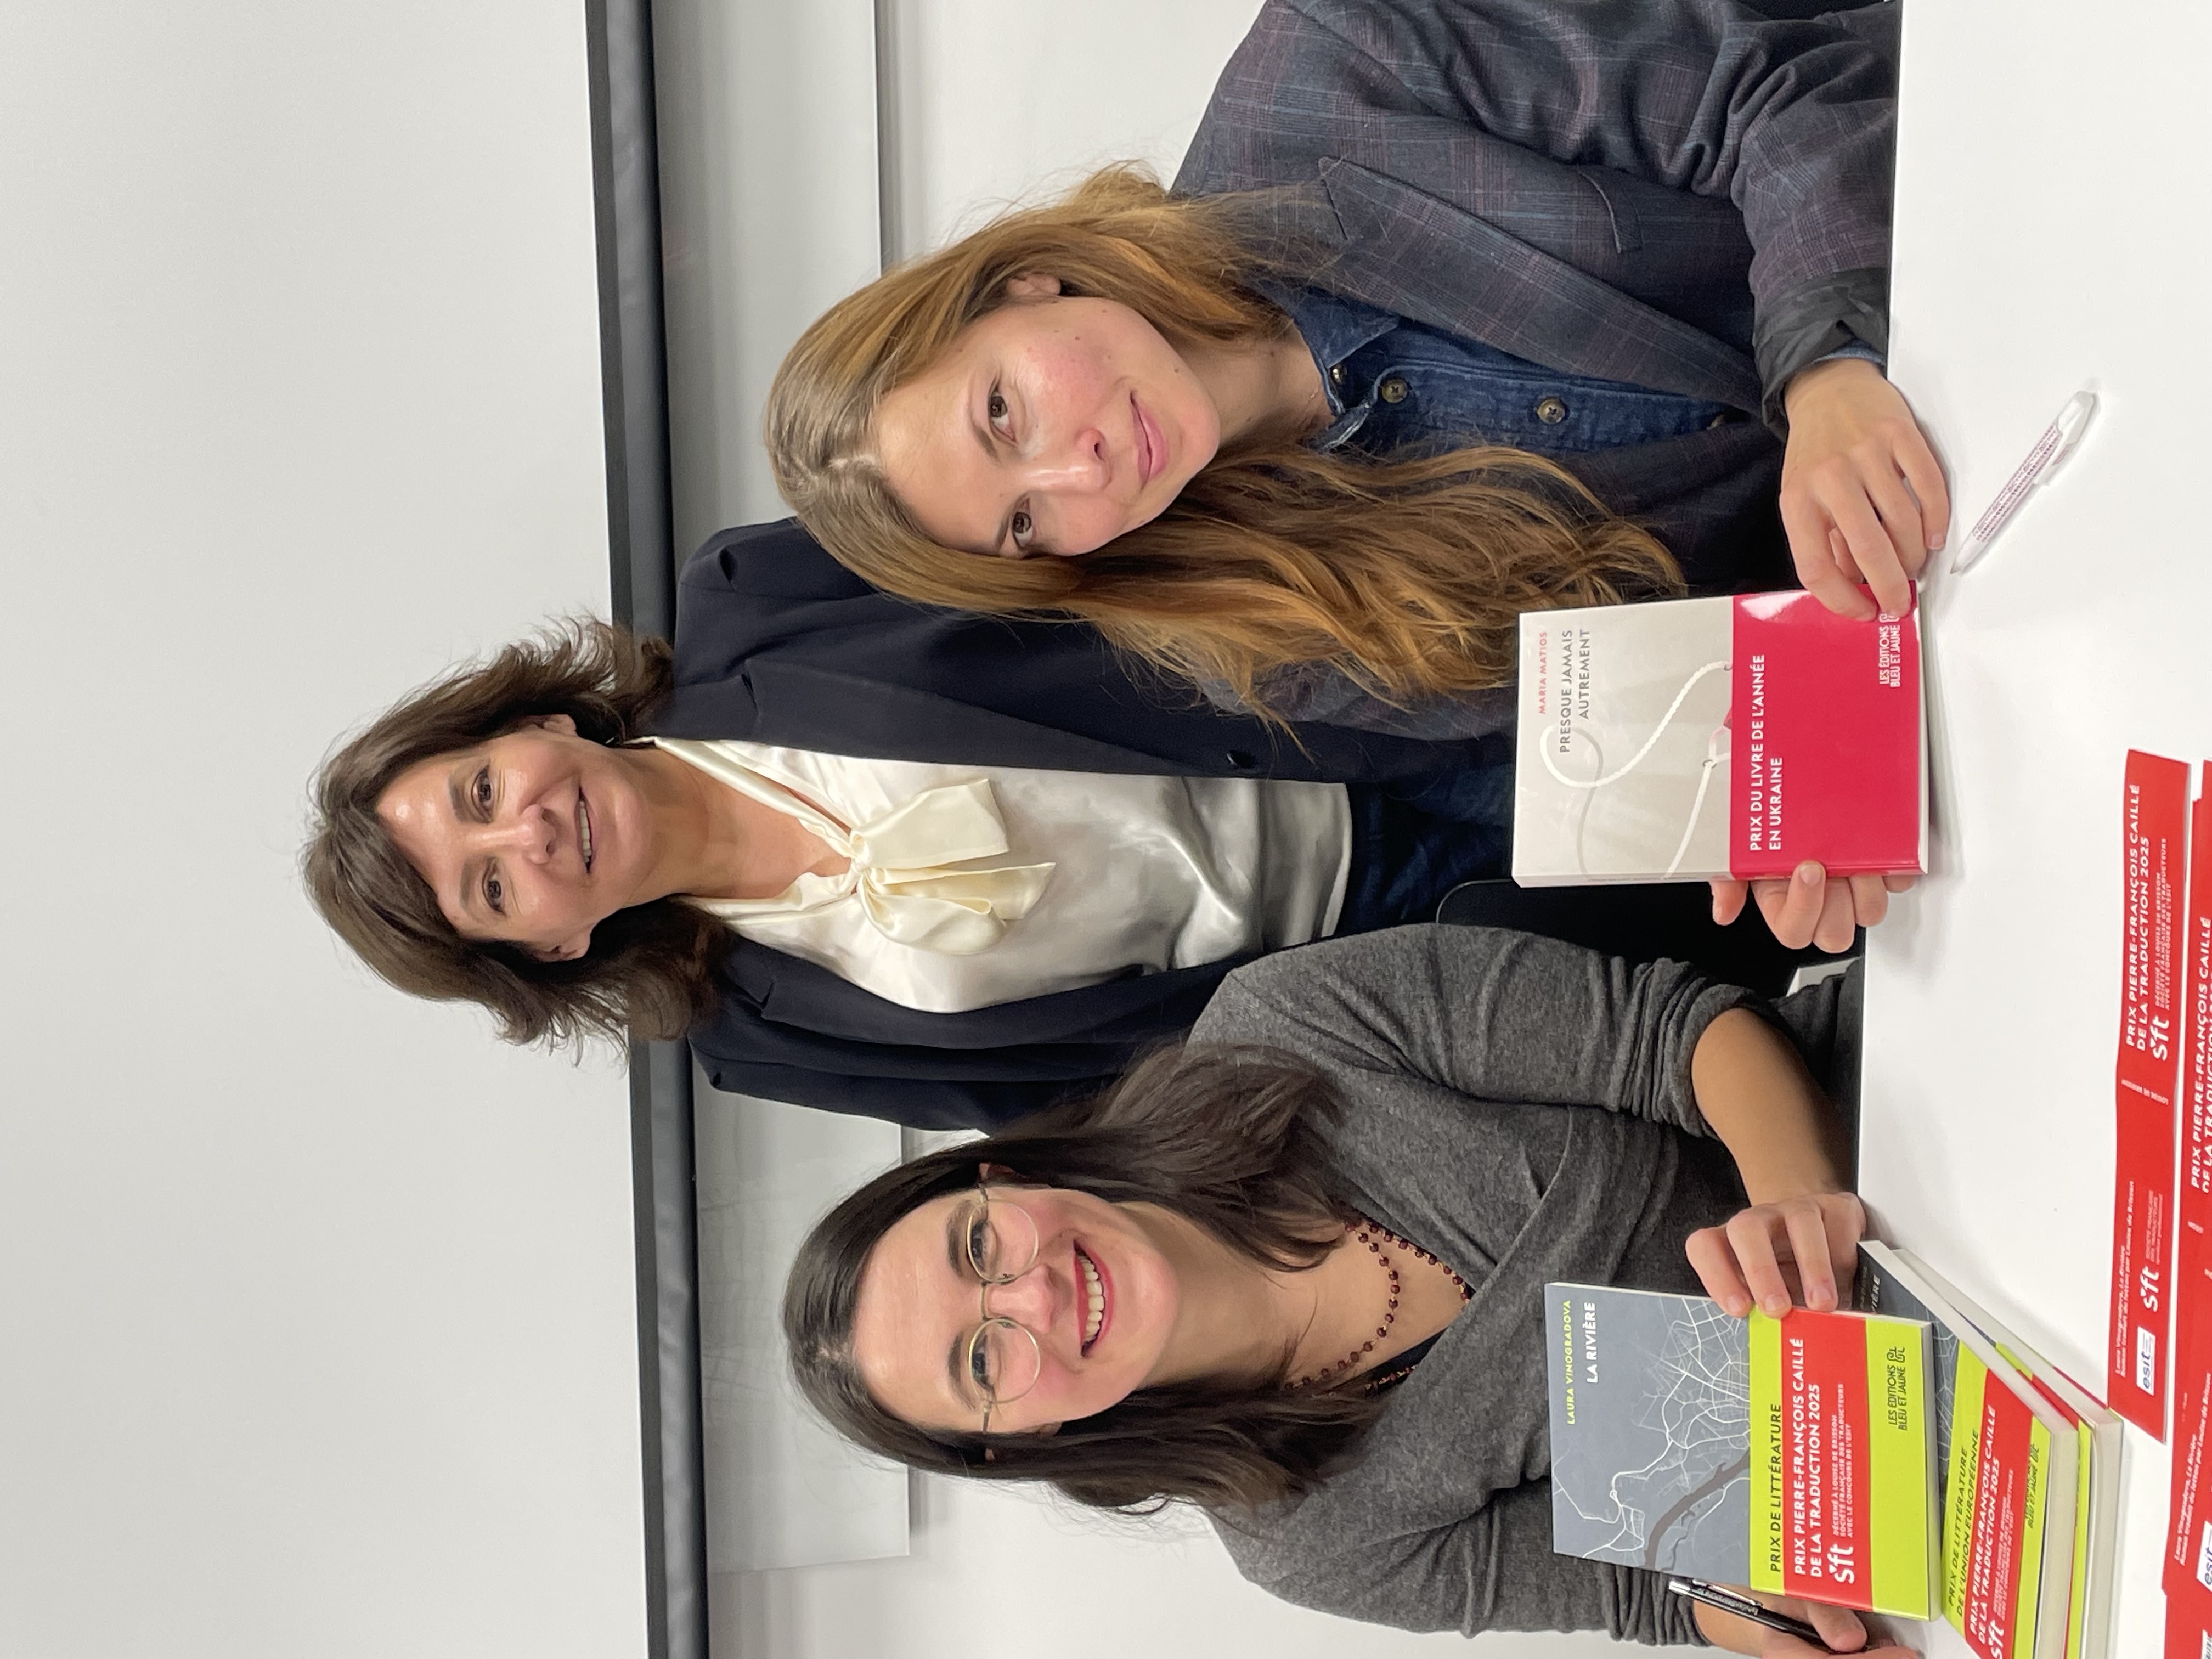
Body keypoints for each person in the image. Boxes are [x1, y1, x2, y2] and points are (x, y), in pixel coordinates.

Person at [762, 0, 1938, 954]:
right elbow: (1673, 680)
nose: (1081, 469)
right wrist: (1775, 804)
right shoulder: (1280, 637)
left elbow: (1773, 71)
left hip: (1969, 252)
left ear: (1019, 284)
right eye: (1026, 525)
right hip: (1941, 576)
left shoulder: (1330, 68)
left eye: (1004, 411)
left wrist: (1828, 369)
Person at [783, 924, 1904, 1656]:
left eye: (979, 1248)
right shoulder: (1306, 1546)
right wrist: (1761, 1617)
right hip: (1907, 1426)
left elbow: (1675, 1033)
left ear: (1002, 1177)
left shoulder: (1276, 1034)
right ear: (1015, 1440)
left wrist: (1799, 1213)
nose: (1030, 1299)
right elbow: (1649, 1587)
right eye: (983, 1361)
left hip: (1909, 1119)